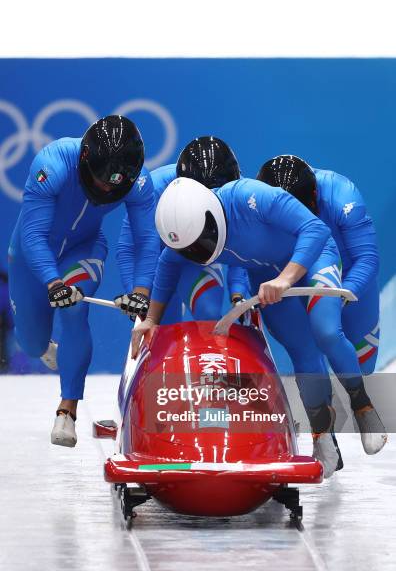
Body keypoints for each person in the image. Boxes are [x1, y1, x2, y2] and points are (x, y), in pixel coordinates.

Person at [131, 176, 387, 477]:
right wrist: (150, 320)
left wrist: (287, 278)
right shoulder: (186, 236)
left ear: (212, 216)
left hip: (314, 258)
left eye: (202, 242)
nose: (198, 252)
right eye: (190, 249)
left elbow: (316, 230)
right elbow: (168, 265)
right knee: (301, 350)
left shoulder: (252, 197)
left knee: (326, 330)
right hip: (266, 277)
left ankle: (362, 405)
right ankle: (322, 433)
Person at [8, 115, 159, 448]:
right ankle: (48, 347)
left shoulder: (139, 183)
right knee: (32, 344)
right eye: (101, 179)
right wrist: (52, 282)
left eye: (116, 184)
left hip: (84, 248)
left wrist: (141, 292)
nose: (107, 188)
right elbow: (33, 235)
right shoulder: (53, 162)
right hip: (33, 256)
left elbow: (147, 240)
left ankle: (67, 409)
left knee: (75, 309)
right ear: (85, 159)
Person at [257, 155, 380, 374]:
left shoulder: (340, 195)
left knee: (363, 369)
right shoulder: (257, 201)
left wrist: (341, 295)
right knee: (307, 357)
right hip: (296, 282)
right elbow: (243, 246)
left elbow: (367, 258)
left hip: (348, 279)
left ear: (315, 195)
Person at [115, 136, 250, 323]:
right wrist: (137, 294)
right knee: (159, 330)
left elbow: (241, 244)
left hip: (200, 257)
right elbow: (128, 246)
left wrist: (238, 293)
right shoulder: (154, 188)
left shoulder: (236, 188)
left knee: (208, 314)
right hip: (155, 262)